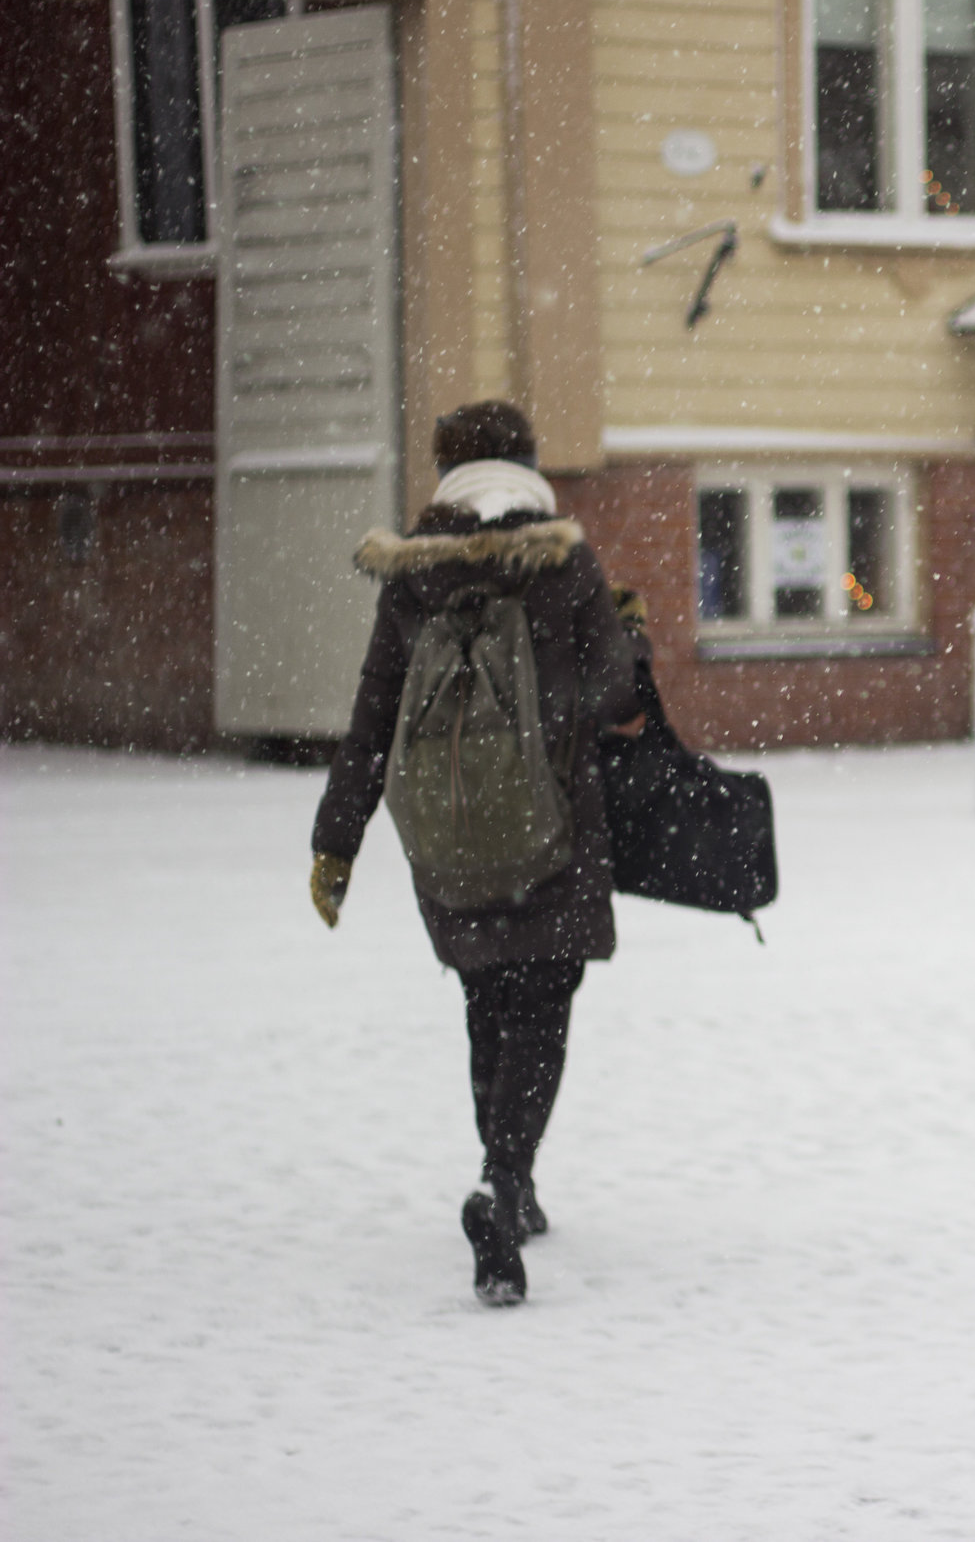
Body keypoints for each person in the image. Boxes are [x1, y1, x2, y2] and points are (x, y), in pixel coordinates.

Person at [307, 401, 640, 1307]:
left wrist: (334, 842)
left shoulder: (412, 568)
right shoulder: (560, 557)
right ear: (528, 462)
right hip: (552, 828)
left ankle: (508, 1179)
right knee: (542, 1003)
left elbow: (374, 715)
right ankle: (506, 1179)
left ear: (447, 470)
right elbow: (615, 690)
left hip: (448, 832)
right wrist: (613, 641)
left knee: (489, 997)